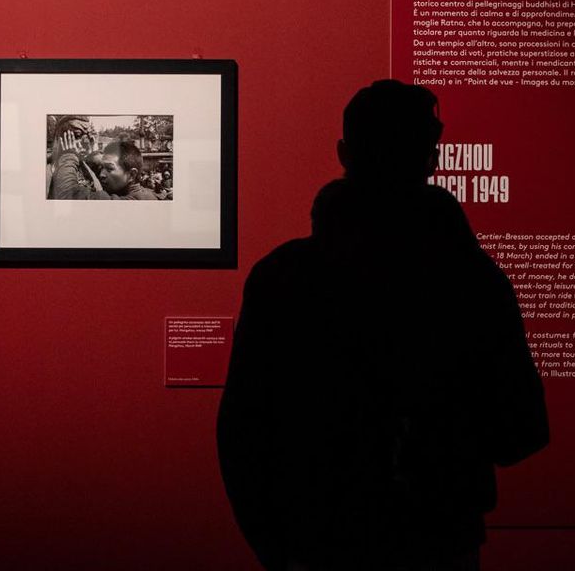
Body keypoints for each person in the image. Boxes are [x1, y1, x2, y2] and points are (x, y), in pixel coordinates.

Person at [217, 80, 548, 571]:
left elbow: (242, 430)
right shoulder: (469, 280)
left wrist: (276, 545)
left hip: (319, 538)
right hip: (436, 535)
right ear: (431, 159)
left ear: (344, 152)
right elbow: (520, 430)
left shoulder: (284, 276)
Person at [49, 129, 158, 200]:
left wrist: (68, 156)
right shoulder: (143, 194)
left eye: (109, 169)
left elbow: (67, 194)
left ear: (132, 174)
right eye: (102, 167)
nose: (101, 174)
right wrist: (93, 154)